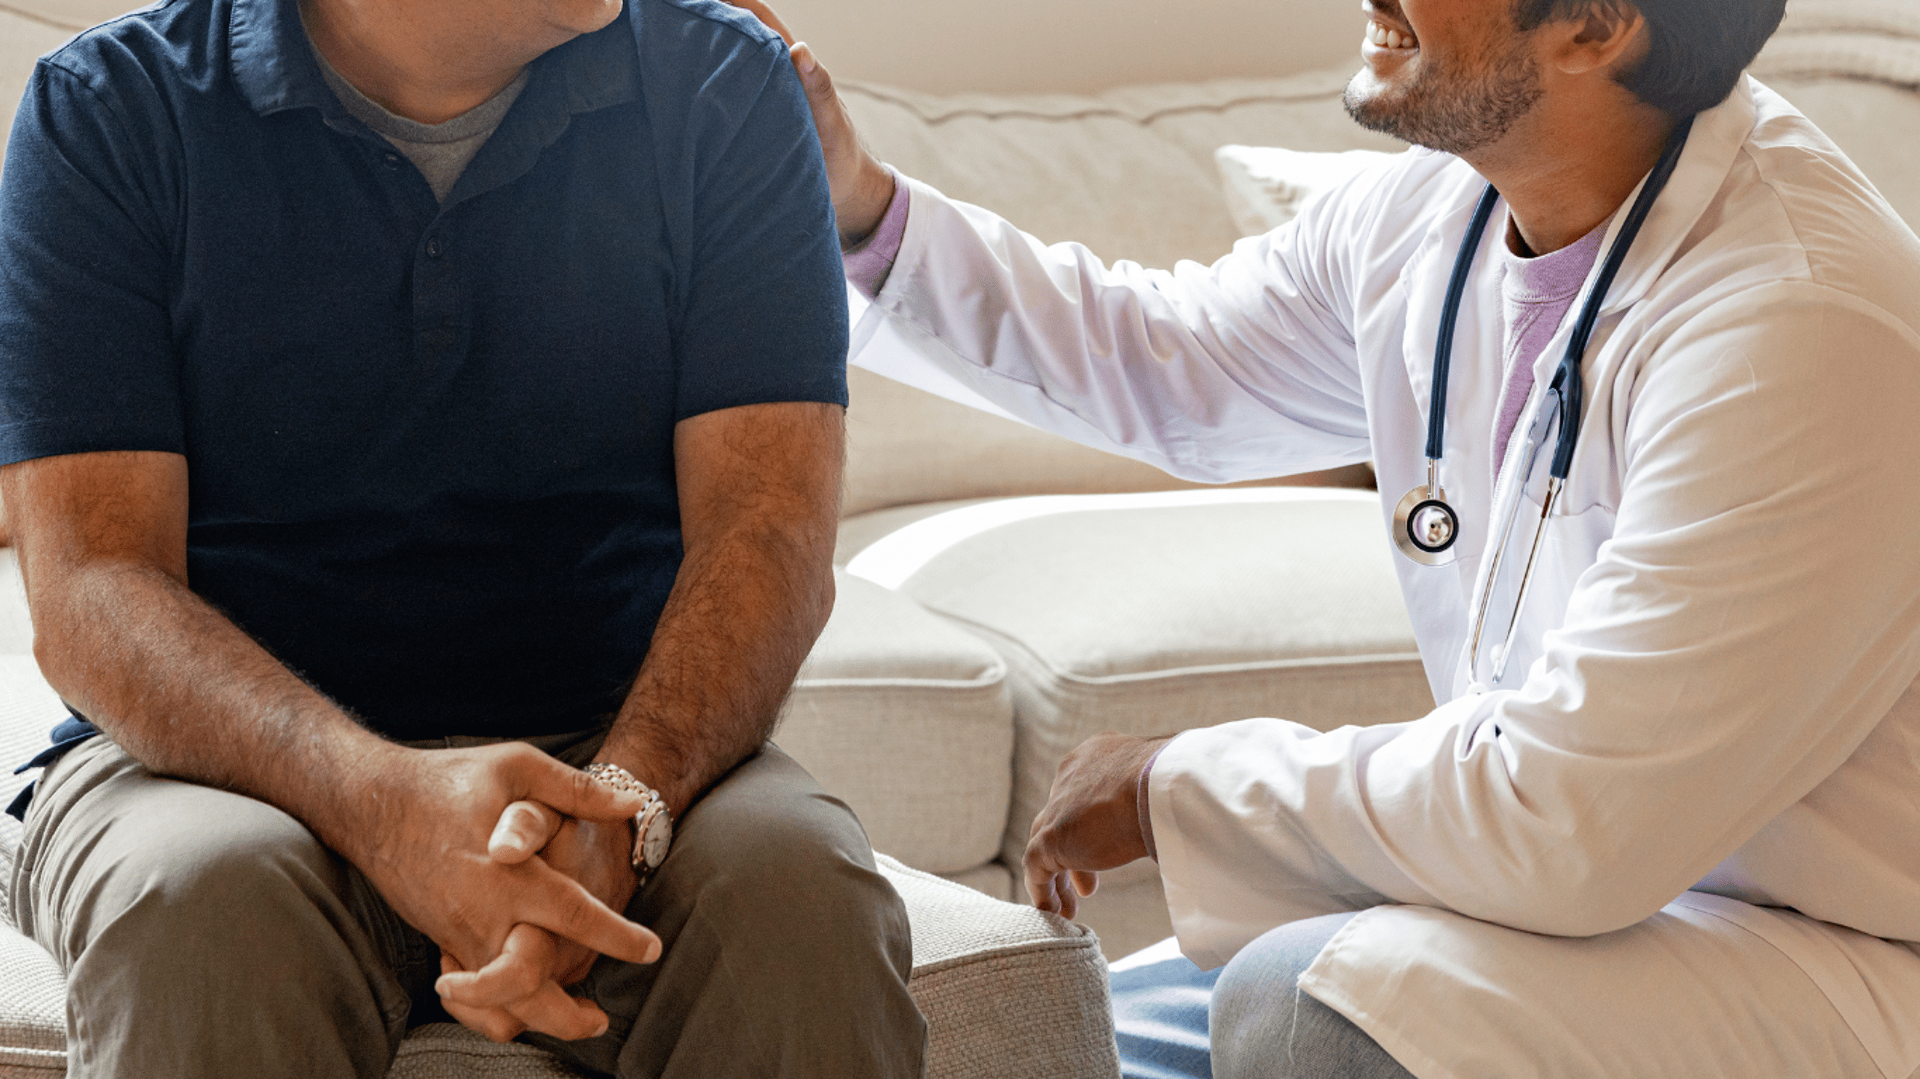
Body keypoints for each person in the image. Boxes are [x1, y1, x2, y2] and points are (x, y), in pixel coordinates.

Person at [729, 0, 1920, 1075]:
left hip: (1820, 949)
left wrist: (1167, 784)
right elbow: (1172, 362)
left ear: (1599, 26)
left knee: (1317, 1007)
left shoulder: (1799, 323)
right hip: (1575, 910)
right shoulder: (1442, 213)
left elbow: (1568, 815)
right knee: (1015, 1027)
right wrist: (858, 202)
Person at [0, 0, 928, 1074]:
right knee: (204, 903)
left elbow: (766, 529)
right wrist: (389, 806)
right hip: (217, 771)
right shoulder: (108, 108)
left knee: (797, 896)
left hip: (618, 748)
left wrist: (623, 806)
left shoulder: (726, 85)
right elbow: (95, 587)